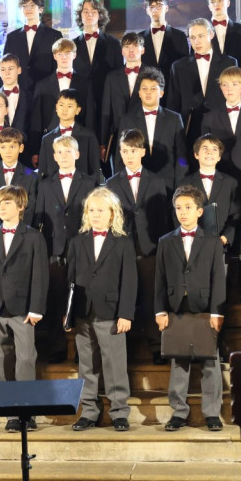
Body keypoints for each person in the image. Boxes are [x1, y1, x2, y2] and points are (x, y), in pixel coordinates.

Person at [0, 185, 49, 432]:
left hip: (23, 309)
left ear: (20, 206)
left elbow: (40, 275)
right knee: (3, 360)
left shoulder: (33, 237)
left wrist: (36, 307)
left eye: (7, 203)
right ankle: (10, 414)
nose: (2, 208)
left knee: (25, 360)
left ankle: (27, 411)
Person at [156, 185, 227, 431]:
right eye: (178, 208)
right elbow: (160, 280)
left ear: (199, 211)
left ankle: (212, 413)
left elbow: (219, 278)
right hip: (176, 308)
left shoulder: (212, 241)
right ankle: (179, 412)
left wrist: (217, 312)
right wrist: (160, 310)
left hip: (205, 308)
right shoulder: (165, 241)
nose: (182, 213)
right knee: (179, 361)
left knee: (210, 362)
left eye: (188, 208)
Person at [66, 187, 137, 431]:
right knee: (87, 365)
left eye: (100, 210)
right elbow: (71, 280)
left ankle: (119, 412)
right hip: (83, 313)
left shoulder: (123, 243)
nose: (95, 214)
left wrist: (126, 313)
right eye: (91, 210)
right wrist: (69, 314)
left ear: (112, 213)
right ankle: (89, 411)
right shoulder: (77, 242)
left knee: (115, 364)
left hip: (112, 312)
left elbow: (129, 281)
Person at [105, 129, 174, 365]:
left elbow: (164, 216)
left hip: (150, 246)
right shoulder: (111, 182)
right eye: (124, 151)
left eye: (133, 151)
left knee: (152, 296)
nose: (129, 155)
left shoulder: (157, 181)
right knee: (123, 296)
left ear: (143, 152)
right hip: (122, 247)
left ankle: (157, 345)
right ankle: (123, 347)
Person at [35, 134, 98, 363]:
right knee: (55, 299)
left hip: (83, 248)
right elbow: (38, 217)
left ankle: (83, 351)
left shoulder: (90, 182)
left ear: (77, 154)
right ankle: (56, 347)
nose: (64, 156)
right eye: (59, 152)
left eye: (68, 151)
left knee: (82, 297)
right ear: (54, 156)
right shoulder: (44, 184)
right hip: (55, 249)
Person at [167, 18, 236, 143]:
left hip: (221, 126)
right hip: (189, 129)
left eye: (200, 36)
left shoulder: (229, 63)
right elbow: (173, 102)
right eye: (192, 38)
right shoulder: (178, 66)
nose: (196, 41)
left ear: (211, 34)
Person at [115, 68, 186, 187]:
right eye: (144, 88)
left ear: (161, 93)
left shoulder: (174, 118)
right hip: (136, 182)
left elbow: (182, 157)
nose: (148, 92)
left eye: (153, 88)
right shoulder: (127, 119)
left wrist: (180, 185)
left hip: (167, 183)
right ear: (139, 93)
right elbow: (119, 157)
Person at [201, 65, 241, 184]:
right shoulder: (209, 117)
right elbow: (204, 151)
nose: (229, 89)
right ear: (221, 87)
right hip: (220, 179)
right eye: (225, 85)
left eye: (234, 84)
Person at [178, 135, 240, 247]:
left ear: (219, 157)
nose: (209, 152)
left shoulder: (230, 183)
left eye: (214, 149)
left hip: (220, 243)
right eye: (205, 148)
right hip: (192, 243)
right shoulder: (184, 183)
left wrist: (225, 237)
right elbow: (176, 213)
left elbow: (236, 214)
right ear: (196, 155)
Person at [72, 0, 123, 128]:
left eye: (93, 11)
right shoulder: (72, 45)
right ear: (80, 15)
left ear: (100, 15)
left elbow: (119, 75)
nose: (89, 14)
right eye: (85, 11)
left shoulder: (113, 43)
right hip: (79, 102)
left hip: (105, 101)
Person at [30, 38, 95, 139]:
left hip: (79, 136)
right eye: (60, 54)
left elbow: (90, 115)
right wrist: (35, 149)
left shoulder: (86, 84)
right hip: (50, 136)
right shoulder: (42, 85)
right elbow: (36, 119)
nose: (64, 57)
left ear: (74, 55)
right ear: (55, 56)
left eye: (67, 53)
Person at [36, 89, 100, 179]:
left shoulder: (88, 136)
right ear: (56, 108)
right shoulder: (47, 139)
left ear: (78, 110)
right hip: (53, 189)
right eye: (61, 105)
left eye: (69, 106)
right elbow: (43, 170)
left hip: (82, 188)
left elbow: (95, 169)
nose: (64, 109)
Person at [3, 0, 63, 87]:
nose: (28, 9)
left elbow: (58, 65)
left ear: (40, 9)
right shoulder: (12, 37)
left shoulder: (54, 35)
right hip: (20, 89)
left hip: (46, 88)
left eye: (32, 6)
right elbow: (5, 64)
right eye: (25, 6)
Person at [100, 32, 145, 155]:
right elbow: (106, 111)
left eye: (135, 46)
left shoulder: (152, 75)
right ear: (122, 51)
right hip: (119, 137)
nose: (131, 51)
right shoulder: (112, 77)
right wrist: (103, 141)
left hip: (145, 136)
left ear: (142, 50)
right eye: (126, 47)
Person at [140, 0, 188, 76]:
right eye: (151, 7)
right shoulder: (139, 38)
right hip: (147, 87)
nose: (155, 10)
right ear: (147, 11)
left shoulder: (180, 37)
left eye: (159, 6)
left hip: (171, 87)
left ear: (166, 8)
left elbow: (184, 68)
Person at [207, 0, 241, 75]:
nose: (216, 4)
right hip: (209, 86)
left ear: (228, 3)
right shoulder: (202, 31)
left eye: (220, 0)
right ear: (209, 6)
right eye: (213, 1)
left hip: (235, 85)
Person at [0, 54, 32, 133]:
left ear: (19, 70)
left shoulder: (31, 96)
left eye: (11, 69)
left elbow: (34, 125)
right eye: (3, 69)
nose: (7, 73)